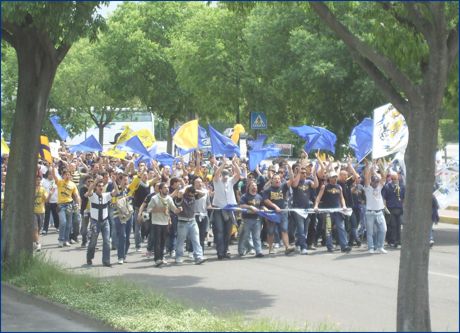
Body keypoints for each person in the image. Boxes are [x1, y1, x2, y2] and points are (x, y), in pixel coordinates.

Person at [313, 170, 352, 253]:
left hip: (338, 210)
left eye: (336, 177)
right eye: (333, 177)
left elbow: (341, 198)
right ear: (330, 178)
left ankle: (344, 246)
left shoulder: (339, 187)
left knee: (341, 228)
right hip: (328, 211)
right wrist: (316, 206)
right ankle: (329, 246)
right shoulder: (325, 187)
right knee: (328, 229)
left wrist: (343, 206)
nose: (335, 179)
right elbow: (319, 197)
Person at [211, 155, 241, 260]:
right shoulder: (216, 180)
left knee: (228, 232)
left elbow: (238, 175)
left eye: (227, 174)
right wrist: (223, 163)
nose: (225, 176)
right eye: (223, 174)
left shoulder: (230, 182)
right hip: (219, 209)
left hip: (229, 209)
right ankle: (220, 252)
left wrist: (234, 163)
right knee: (220, 231)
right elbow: (217, 173)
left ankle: (225, 251)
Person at [85, 175, 118, 267]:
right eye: (99, 186)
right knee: (93, 242)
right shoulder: (92, 196)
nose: (101, 187)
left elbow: (116, 192)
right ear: (96, 187)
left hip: (105, 221)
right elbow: (89, 191)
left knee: (107, 241)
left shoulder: (106, 195)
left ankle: (106, 261)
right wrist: (95, 182)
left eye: (102, 186)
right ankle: (89, 257)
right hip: (95, 222)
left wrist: (114, 181)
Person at [146, 182, 182, 267]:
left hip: (165, 223)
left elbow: (174, 209)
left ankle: (161, 258)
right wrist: (159, 209)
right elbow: (148, 209)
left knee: (163, 242)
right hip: (156, 223)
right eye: (165, 188)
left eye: (167, 187)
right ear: (160, 189)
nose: (167, 189)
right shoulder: (154, 198)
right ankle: (157, 259)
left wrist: (179, 209)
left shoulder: (169, 198)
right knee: (157, 241)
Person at [289, 163, 318, 255]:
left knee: (304, 230)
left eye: (305, 173)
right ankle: (303, 247)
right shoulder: (296, 181)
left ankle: (298, 244)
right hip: (297, 209)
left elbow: (316, 185)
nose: (304, 174)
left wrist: (314, 174)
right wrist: (298, 173)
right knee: (301, 229)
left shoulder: (308, 182)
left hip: (307, 209)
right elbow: (294, 185)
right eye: (302, 173)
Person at [263, 173, 296, 255]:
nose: (277, 180)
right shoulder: (268, 190)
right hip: (272, 213)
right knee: (271, 231)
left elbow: (292, 180)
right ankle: (271, 248)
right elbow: (265, 200)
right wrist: (274, 206)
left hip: (282, 211)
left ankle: (287, 247)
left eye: (279, 178)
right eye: (275, 178)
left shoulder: (283, 186)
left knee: (284, 229)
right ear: (272, 180)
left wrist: (289, 170)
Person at [175, 186, 207, 265]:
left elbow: (203, 194)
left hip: (192, 221)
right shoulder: (181, 197)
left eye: (193, 193)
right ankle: (179, 256)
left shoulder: (193, 196)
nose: (192, 195)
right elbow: (180, 193)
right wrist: (186, 187)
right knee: (181, 240)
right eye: (190, 193)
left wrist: (195, 190)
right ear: (187, 192)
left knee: (196, 239)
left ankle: (198, 257)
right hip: (182, 222)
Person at [52, 164, 81, 247]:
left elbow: (76, 195)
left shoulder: (73, 184)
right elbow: (54, 176)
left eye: (68, 174)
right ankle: (60, 240)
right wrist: (53, 168)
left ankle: (66, 240)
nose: (67, 176)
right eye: (65, 174)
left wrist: (78, 204)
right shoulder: (60, 182)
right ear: (63, 175)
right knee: (63, 222)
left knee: (69, 224)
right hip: (61, 205)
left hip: (70, 205)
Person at [363, 160, 387, 254]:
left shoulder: (379, 187)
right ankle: (371, 247)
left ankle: (380, 247)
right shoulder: (367, 188)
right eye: (374, 181)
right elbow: (366, 179)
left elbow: (383, 178)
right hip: (370, 212)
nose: (376, 183)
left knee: (383, 229)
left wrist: (375, 171)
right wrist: (370, 170)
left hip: (379, 212)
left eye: (377, 181)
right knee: (370, 232)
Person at [239, 181, 265, 258]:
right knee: (246, 236)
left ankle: (258, 251)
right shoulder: (245, 196)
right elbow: (241, 205)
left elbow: (262, 205)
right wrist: (250, 207)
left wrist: (265, 209)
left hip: (257, 219)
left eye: (255, 186)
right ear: (249, 187)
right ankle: (243, 249)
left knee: (256, 236)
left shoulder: (259, 196)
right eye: (252, 185)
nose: (254, 187)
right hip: (247, 219)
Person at [382, 171, 405, 248]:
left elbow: (404, 198)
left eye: (396, 178)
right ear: (391, 178)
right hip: (390, 209)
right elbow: (384, 198)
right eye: (393, 178)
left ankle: (398, 241)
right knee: (392, 225)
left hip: (399, 208)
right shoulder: (387, 186)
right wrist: (385, 208)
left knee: (398, 225)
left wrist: (404, 207)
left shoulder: (402, 186)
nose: (395, 180)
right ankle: (392, 240)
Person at [33, 175, 48, 252]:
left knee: (39, 229)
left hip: (41, 211)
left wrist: (49, 194)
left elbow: (45, 200)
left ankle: (34, 241)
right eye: (36, 180)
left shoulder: (43, 189)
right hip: (33, 212)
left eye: (39, 180)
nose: (38, 181)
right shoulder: (31, 189)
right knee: (35, 228)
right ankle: (37, 243)